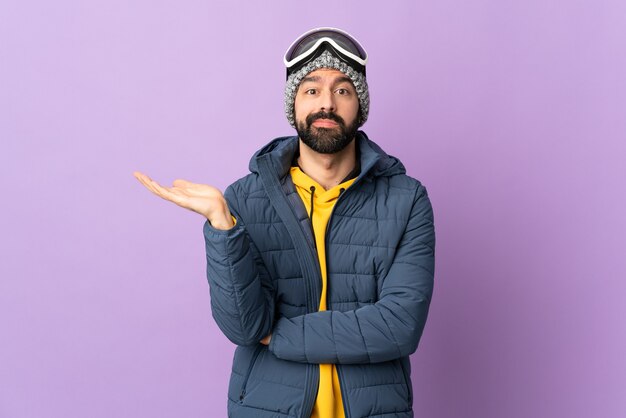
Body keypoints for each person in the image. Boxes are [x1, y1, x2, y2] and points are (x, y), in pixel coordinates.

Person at [134, 27, 435, 418]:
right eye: (311, 90)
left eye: (343, 90)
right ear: (293, 104)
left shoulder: (406, 199)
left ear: (360, 105)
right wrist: (222, 228)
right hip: (267, 408)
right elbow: (244, 328)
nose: (326, 103)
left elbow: (399, 326)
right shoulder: (245, 198)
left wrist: (277, 334)